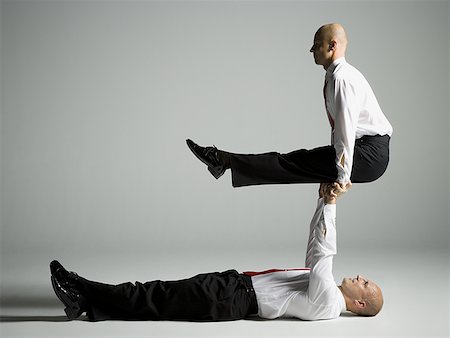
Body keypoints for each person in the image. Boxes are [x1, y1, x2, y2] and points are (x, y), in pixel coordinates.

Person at [50, 182, 383, 322]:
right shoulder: (326, 292)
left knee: (157, 295)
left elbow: (323, 256)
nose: (360, 277)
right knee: (159, 296)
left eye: (365, 284)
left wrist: (331, 204)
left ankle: (81, 289)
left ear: (360, 304)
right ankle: (87, 302)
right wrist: (322, 200)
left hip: (233, 299)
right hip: (234, 285)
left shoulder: (329, 303)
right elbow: (315, 251)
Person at [186, 23, 393, 188]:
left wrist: (341, 176)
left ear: (332, 45)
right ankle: (223, 160)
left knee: (290, 163)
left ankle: (222, 160)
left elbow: (345, 132)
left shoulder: (342, 79)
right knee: (295, 160)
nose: (311, 49)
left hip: (369, 155)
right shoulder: (336, 77)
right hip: (363, 151)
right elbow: (339, 131)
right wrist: (333, 172)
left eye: (316, 44)